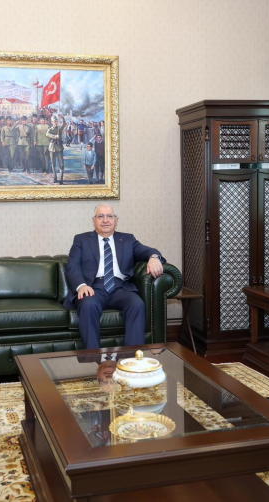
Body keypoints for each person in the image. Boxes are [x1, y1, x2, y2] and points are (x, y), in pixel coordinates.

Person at [64, 203, 165, 349]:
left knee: (136, 304)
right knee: (88, 305)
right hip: (93, 288)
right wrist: (81, 286)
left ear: (116, 220)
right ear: (94, 220)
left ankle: (132, 357)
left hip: (120, 288)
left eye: (110, 216)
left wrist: (154, 257)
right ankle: (93, 357)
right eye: (100, 216)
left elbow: (148, 251)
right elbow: (72, 266)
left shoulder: (128, 239)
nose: (105, 220)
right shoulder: (81, 240)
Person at [47, 114, 66, 184]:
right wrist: (55, 136)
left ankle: (61, 179)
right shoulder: (50, 129)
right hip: (52, 148)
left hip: (59, 148)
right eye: (54, 121)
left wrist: (63, 118)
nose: (55, 122)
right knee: (53, 164)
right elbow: (47, 134)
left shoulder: (59, 128)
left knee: (61, 164)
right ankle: (55, 177)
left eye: (56, 121)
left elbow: (64, 124)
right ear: (52, 122)